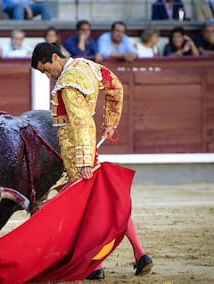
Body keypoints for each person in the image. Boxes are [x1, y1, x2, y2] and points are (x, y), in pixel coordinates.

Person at [31, 42, 153, 280]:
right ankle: (139, 254)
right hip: (85, 152)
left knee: (91, 210)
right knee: (109, 204)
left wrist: (85, 161)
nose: (48, 76)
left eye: (47, 69)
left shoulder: (67, 83)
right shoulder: (86, 65)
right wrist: (110, 123)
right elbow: (115, 88)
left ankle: (96, 266)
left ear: (55, 57)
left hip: (78, 156)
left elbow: (83, 123)